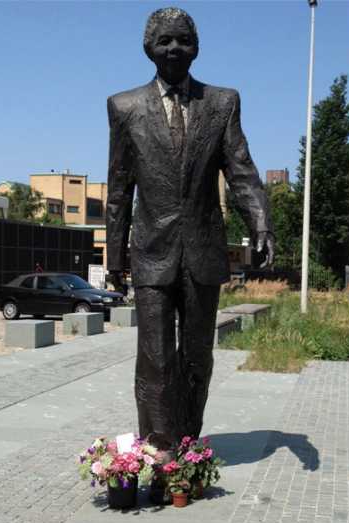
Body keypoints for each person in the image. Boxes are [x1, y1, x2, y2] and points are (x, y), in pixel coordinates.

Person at [106, 7, 274, 453]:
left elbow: (241, 171)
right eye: (165, 41)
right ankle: (159, 452)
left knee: (197, 357)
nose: (174, 48)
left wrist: (260, 222)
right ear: (149, 48)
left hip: (202, 250)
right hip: (151, 251)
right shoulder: (123, 107)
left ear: (196, 47)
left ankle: (186, 443)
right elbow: (119, 188)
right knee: (156, 358)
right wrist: (115, 258)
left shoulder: (222, 103)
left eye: (182, 40)